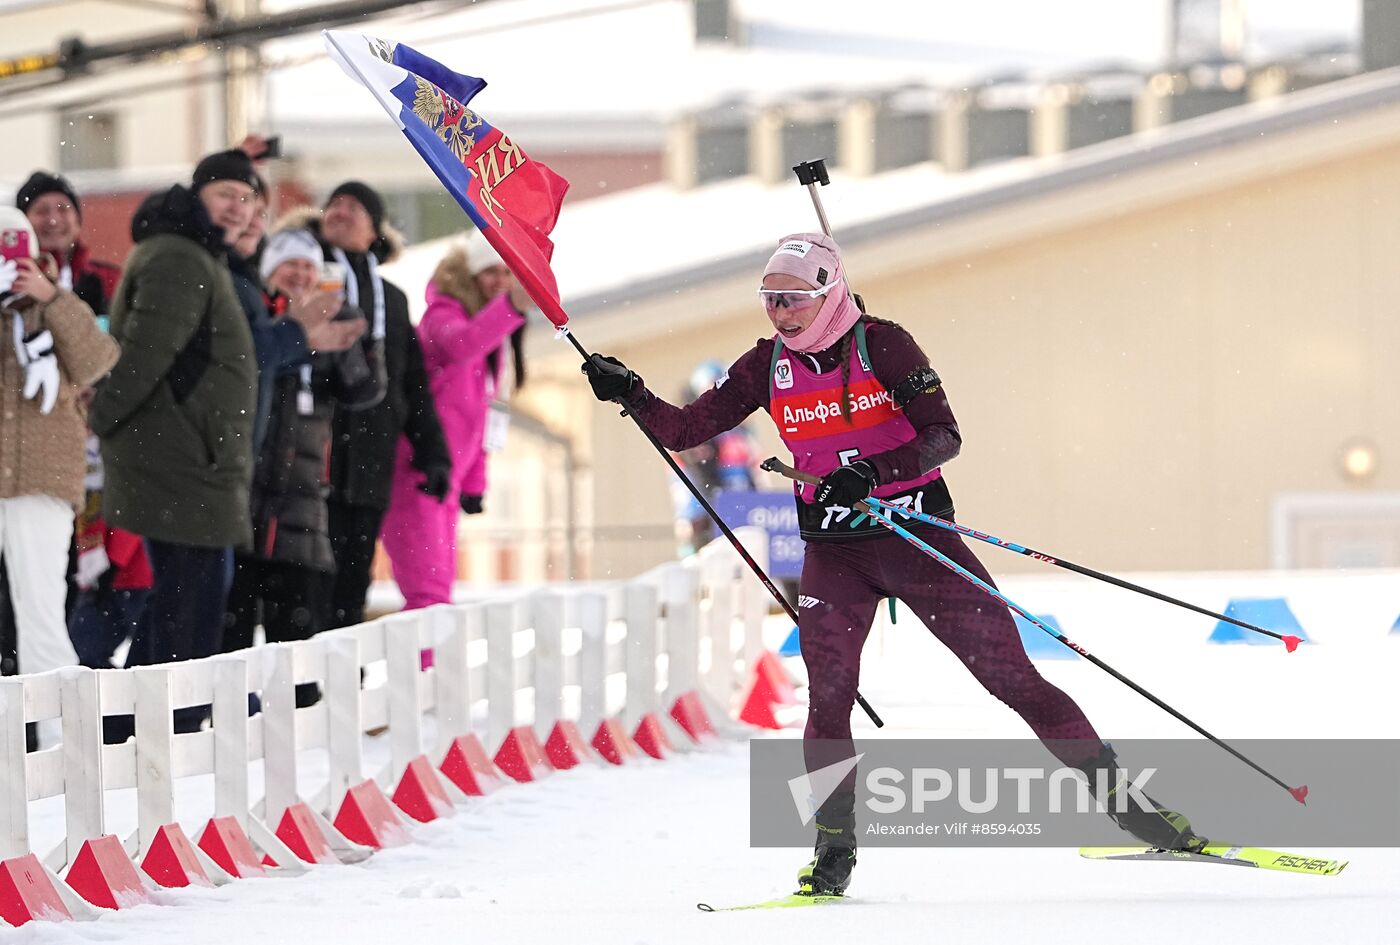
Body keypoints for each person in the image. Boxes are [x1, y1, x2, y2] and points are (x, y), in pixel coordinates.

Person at [582, 232, 1204, 896]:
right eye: (770, 301)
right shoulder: (766, 364)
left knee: (1013, 681)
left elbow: (944, 434)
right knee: (826, 699)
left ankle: (1133, 809)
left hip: (917, 540)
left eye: (793, 300)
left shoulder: (884, 344)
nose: (780, 314)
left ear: (828, 293)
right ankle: (833, 849)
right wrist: (631, 391)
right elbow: (684, 429)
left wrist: (873, 472)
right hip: (834, 554)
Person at [88, 151, 261, 725]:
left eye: (247, 196)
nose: (237, 207)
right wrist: (105, 416)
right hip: (185, 456)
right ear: (197, 197)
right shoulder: (180, 256)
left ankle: (139, 726)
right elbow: (145, 354)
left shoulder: (189, 252)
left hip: (192, 453)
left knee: (180, 601)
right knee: (190, 607)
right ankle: (169, 728)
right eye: (225, 193)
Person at [222, 228, 383, 704]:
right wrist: (293, 331)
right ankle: (228, 735)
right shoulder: (255, 320)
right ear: (270, 273)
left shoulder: (329, 327)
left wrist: (344, 333)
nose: (300, 274)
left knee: (298, 655)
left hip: (304, 513)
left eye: (309, 267)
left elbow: (364, 390)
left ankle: (297, 743)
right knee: (228, 648)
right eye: (289, 265)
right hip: (244, 506)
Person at [308, 182, 450, 629]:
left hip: (371, 460)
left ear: (375, 232)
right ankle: (307, 684)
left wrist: (434, 453)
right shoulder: (303, 279)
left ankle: (345, 674)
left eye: (354, 207)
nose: (340, 211)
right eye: (333, 204)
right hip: (313, 457)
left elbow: (412, 385)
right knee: (309, 578)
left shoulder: (391, 298)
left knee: (354, 575)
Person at [0, 207, 118, 744]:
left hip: (41, 477)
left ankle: (61, 745)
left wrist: (51, 298)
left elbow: (98, 360)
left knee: (42, 611)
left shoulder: (54, 301)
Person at [379, 233, 528, 610]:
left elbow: (479, 421)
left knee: (439, 589)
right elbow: (461, 345)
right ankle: (422, 667)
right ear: (468, 276)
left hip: (445, 480)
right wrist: (512, 307)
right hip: (417, 474)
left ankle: (427, 666)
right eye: (490, 272)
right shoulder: (442, 315)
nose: (499, 281)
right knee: (427, 592)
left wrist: (474, 483)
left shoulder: (492, 344)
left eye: (507, 274)